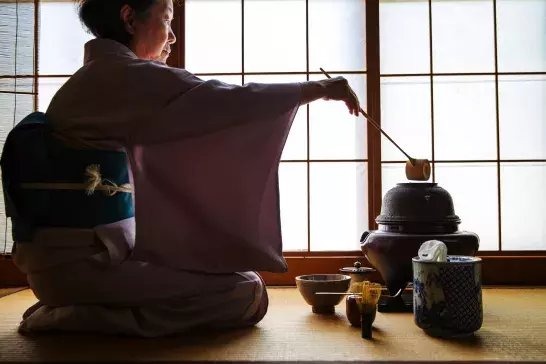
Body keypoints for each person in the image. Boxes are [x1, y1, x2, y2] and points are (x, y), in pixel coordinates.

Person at [2, 0, 360, 337]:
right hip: (83, 265)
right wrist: (317, 88)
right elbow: (226, 102)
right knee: (247, 292)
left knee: (241, 281)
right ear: (129, 18)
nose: (172, 35)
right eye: (167, 19)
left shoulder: (99, 76)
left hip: (71, 260)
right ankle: (78, 317)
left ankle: (81, 307)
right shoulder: (123, 75)